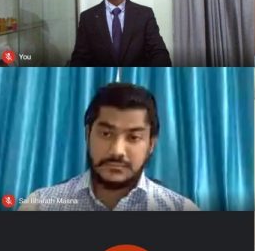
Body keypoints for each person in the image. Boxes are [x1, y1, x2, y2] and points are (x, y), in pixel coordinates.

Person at [19, 83, 199, 211]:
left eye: (133, 137)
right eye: (106, 134)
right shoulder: (39, 206)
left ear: (151, 144)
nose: (117, 151)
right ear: (88, 134)